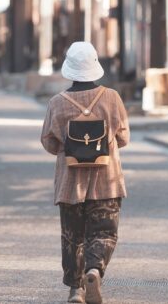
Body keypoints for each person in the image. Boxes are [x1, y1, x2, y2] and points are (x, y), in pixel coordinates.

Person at [40, 42, 130, 304]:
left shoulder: (57, 103)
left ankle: (76, 290)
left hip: (70, 183)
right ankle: (94, 270)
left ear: (69, 68)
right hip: (107, 181)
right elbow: (123, 137)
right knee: (104, 232)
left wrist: (68, 147)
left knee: (72, 236)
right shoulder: (111, 97)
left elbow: (48, 142)